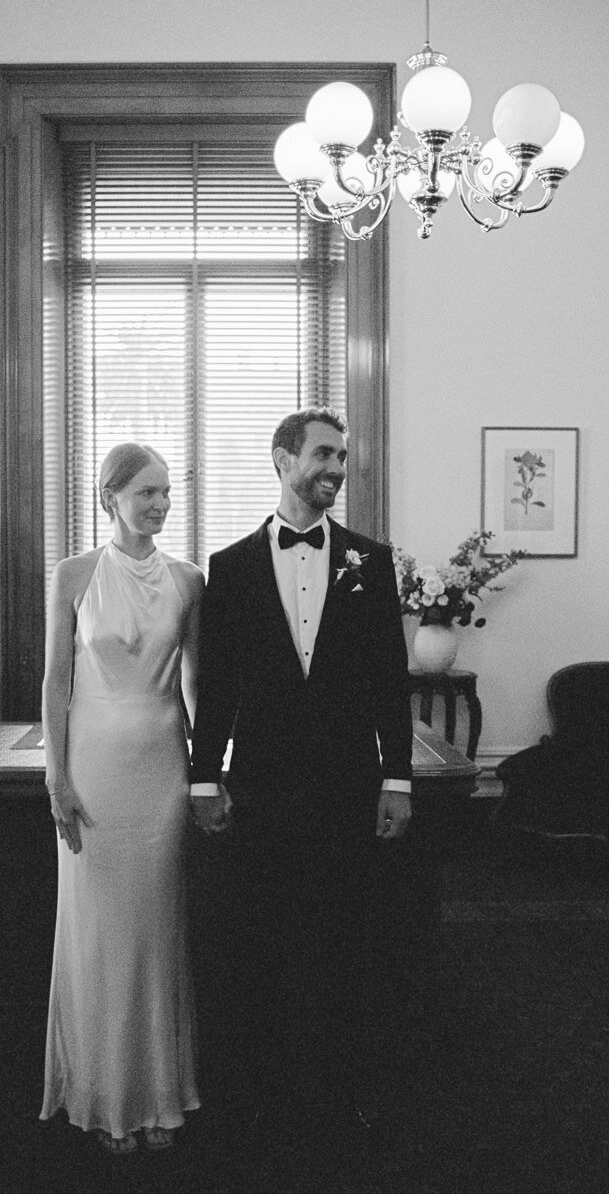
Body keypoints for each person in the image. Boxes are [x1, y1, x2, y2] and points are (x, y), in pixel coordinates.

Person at [189, 406, 413, 1141]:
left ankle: (343, 1091)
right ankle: (263, 1093)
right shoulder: (229, 566)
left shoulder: (370, 561)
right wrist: (203, 778)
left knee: (346, 936)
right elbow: (218, 684)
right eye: (323, 454)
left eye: (342, 458)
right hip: (263, 783)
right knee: (262, 938)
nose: (336, 469)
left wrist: (397, 778)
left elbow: (389, 679)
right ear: (283, 460)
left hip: (349, 783)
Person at [40, 442, 205, 1156]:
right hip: (94, 769)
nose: (160, 504)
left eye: (166, 492)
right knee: (101, 932)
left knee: (155, 932)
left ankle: (158, 1096)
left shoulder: (189, 580)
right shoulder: (73, 574)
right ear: (111, 497)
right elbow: (55, 681)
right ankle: (105, 1096)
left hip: (162, 770)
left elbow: (194, 682)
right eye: (146, 493)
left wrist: (207, 772)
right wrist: (56, 776)